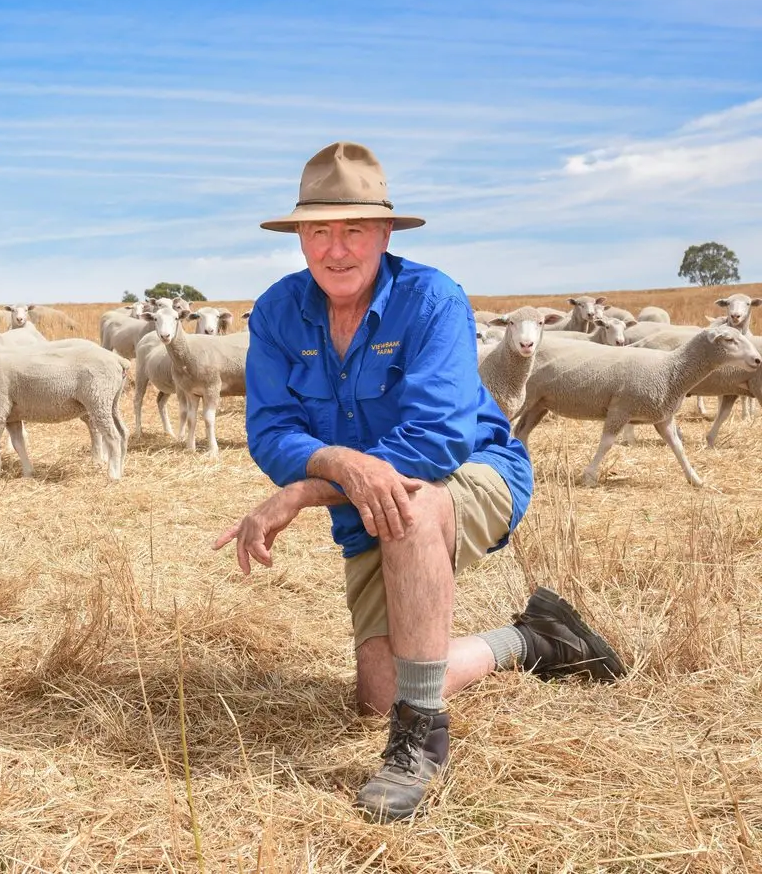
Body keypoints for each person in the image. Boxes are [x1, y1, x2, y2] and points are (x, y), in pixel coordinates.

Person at [214, 142, 624, 822]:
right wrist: (337, 465)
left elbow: (435, 444)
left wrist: (304, 488)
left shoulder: (432, 299)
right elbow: (271, 429)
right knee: (377, 691)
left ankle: (420, 739)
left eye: (353, 230)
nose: (335, 248)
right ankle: (534, 639)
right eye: (319, 230)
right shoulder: (280, 312)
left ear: (383, 233)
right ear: (300, 237)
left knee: (412, 497)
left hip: (473, 473)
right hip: (361, 504)